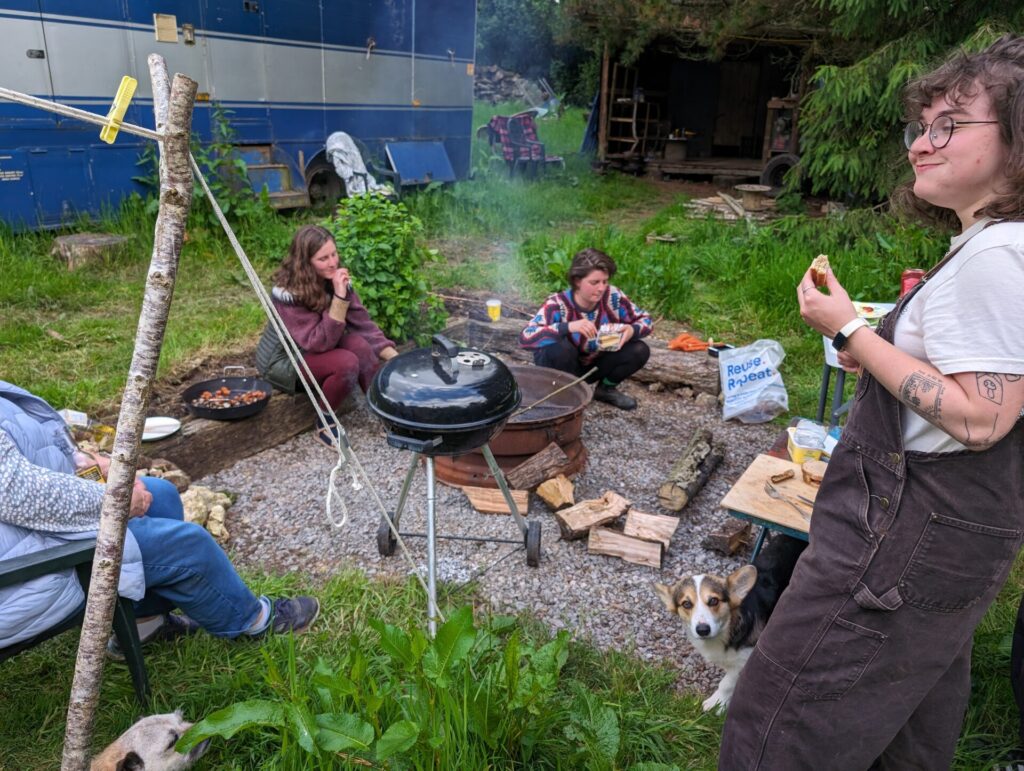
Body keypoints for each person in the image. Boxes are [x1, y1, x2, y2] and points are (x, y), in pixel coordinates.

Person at [718, 36, 1024, 770]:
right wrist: (873, 352)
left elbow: (981, 416)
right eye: (921, 126)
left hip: (900, 541)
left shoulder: (995, 257)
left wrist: (846, 325)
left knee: (775, 725)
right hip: (950, 545)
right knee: (905, 728)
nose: (923, 143)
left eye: (950, 123)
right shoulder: (996, 244)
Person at [0, 380, 320, 655]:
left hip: (26, 531)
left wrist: (80, 459)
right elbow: (22, 495)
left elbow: (23, 449)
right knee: (189, 546)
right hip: (26, 568)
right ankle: (253, 621)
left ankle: (143, 623)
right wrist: (118, 501)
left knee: (161, 494)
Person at [268, 224, 398, 445]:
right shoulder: (287, 293)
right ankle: (324, 422)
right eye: (323, 258)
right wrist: (339, 297)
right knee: (346, 362)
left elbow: (363, 325)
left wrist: (396, 359)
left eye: (334, 254)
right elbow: (317, 342)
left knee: (359, 345)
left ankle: (385, 412)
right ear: (306, 262)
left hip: (320, 349)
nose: (333, 262)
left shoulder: (334, 280)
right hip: (288, 360)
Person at [519, 248, 652, 410]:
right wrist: (567, 327)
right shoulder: (557, 305)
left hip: (593, 364)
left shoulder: (613, 297)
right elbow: (525, 338)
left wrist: (632, 330)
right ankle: (558, 393)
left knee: (640, 349)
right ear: (577, 281)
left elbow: (646, 321)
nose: (601, 288)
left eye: (605, 281)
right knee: (559, 347)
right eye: (594, 282)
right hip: (559, 366)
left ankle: (606, 389)